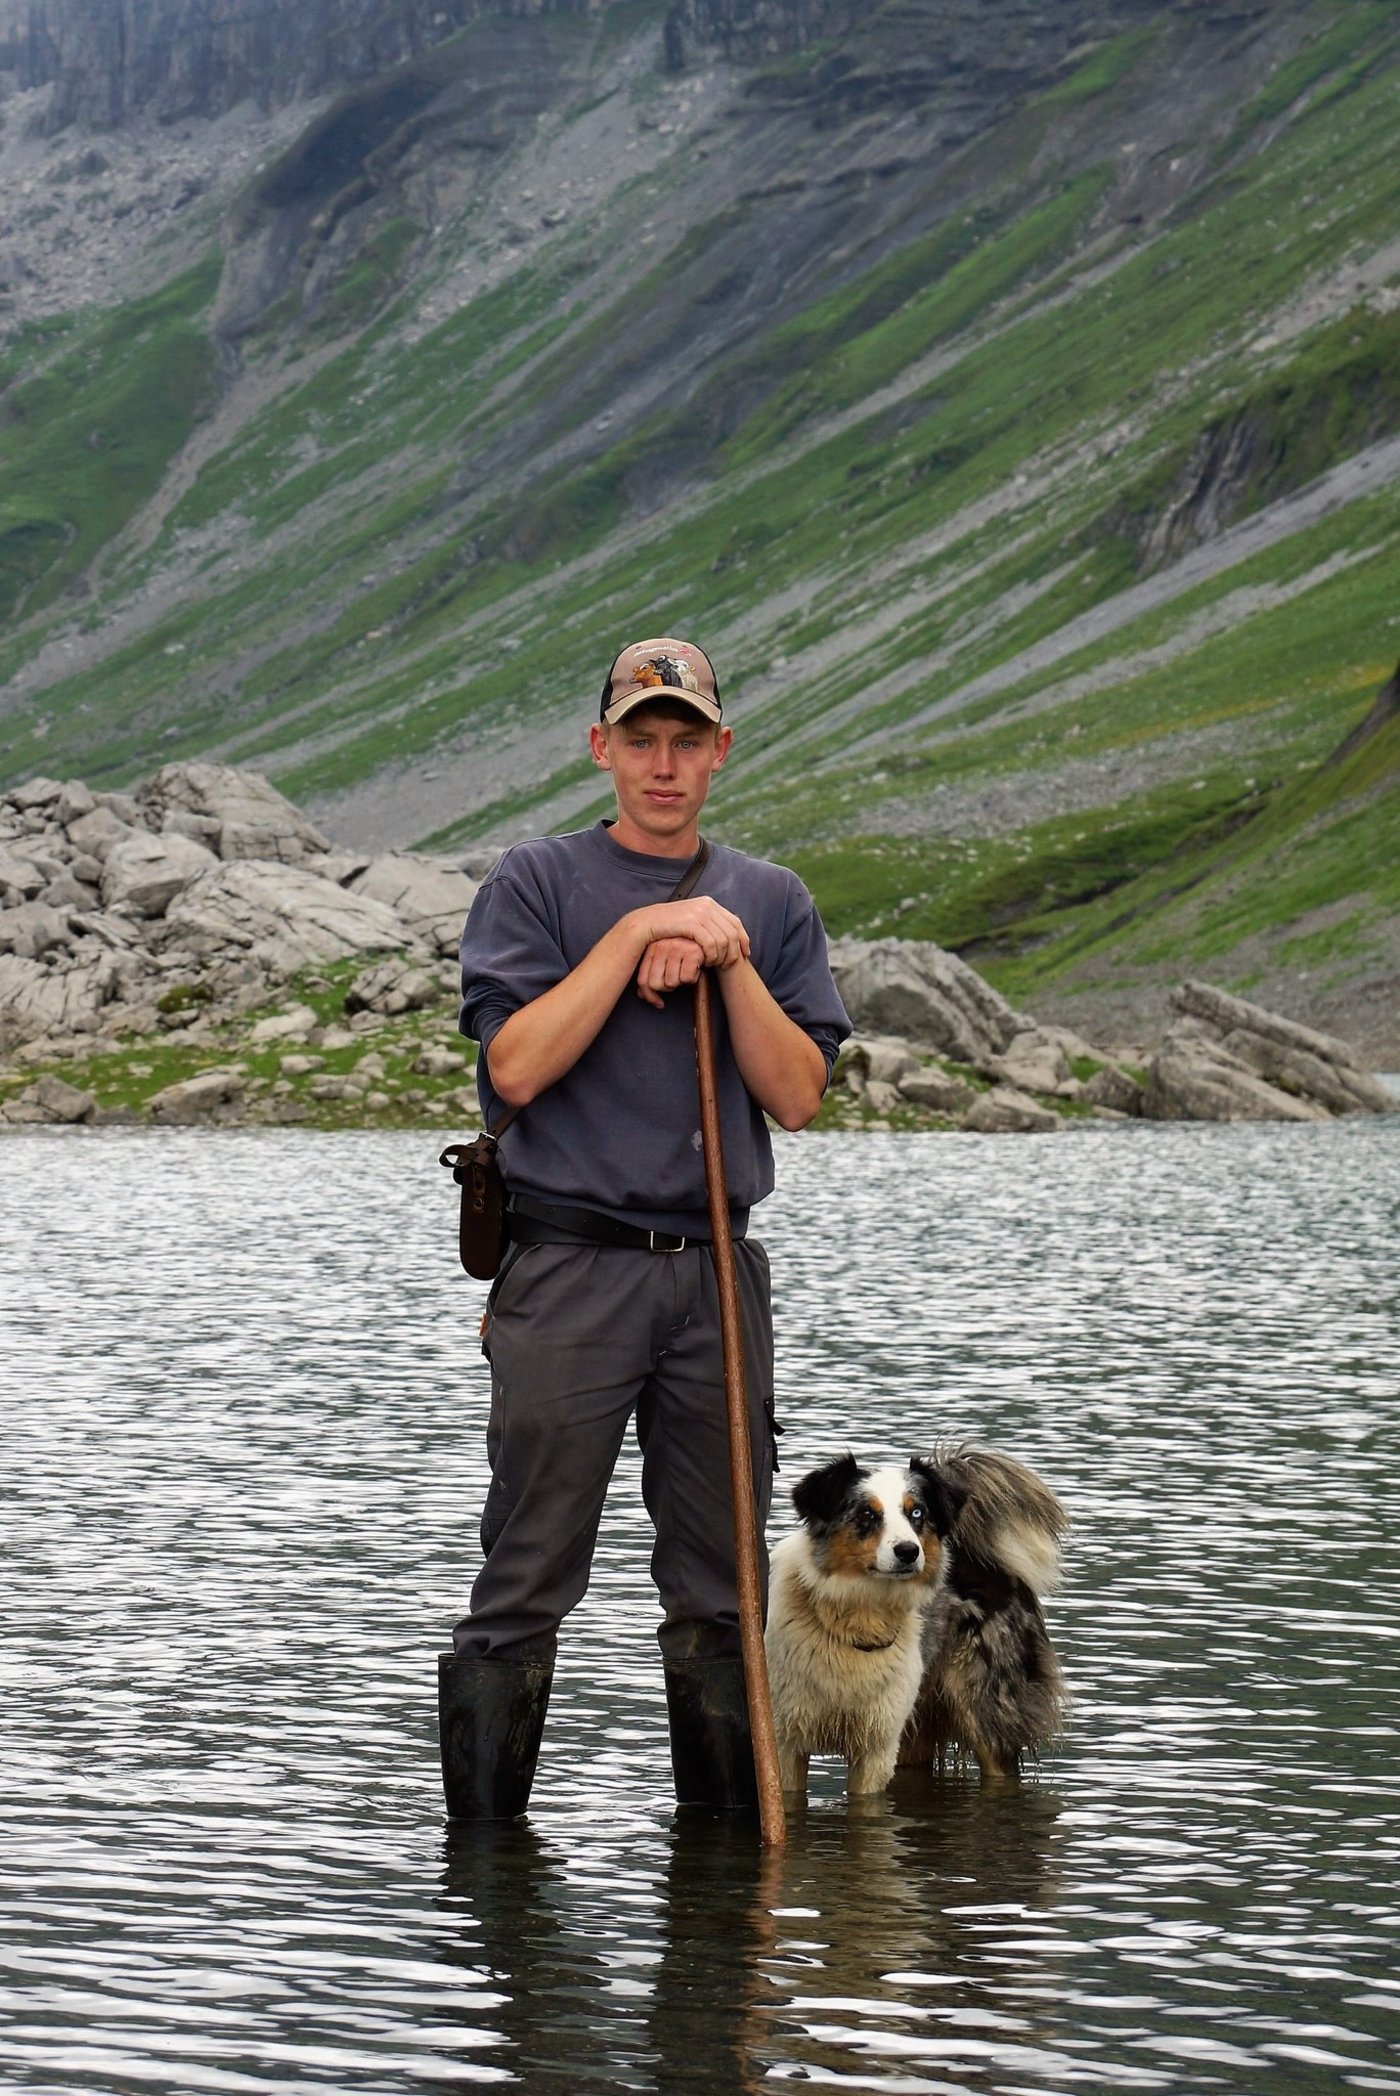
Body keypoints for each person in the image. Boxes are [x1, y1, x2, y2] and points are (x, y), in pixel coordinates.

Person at [438, 637, 850, 1819]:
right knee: (525, 1575)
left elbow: (797, 1094)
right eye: (639, 740)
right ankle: (486, 1870)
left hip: (716, 1274)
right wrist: (632, 939)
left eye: (685, 741)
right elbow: (513, 1068)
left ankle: (719, 1878)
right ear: (599, 748)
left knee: (723, 1589)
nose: (662, 765)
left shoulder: (770, 900)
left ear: (720, 751)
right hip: (568, 1269)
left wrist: (724, 954)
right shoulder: (535, 882)